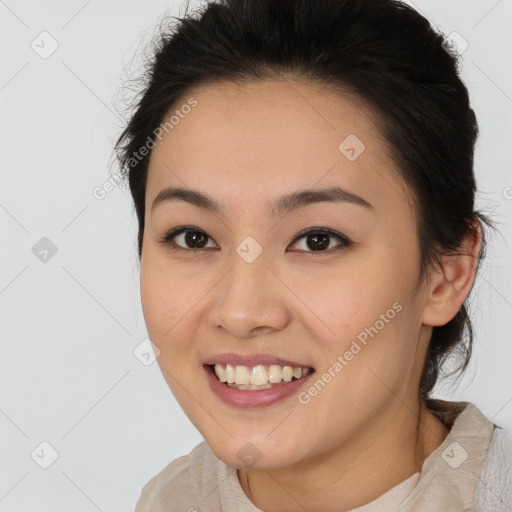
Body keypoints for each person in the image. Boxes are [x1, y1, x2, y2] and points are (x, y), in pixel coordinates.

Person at [115, 0, 512, 510]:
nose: (240, 312)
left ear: (446, 273)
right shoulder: (166, 501)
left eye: (317, 239)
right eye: (194, 237)